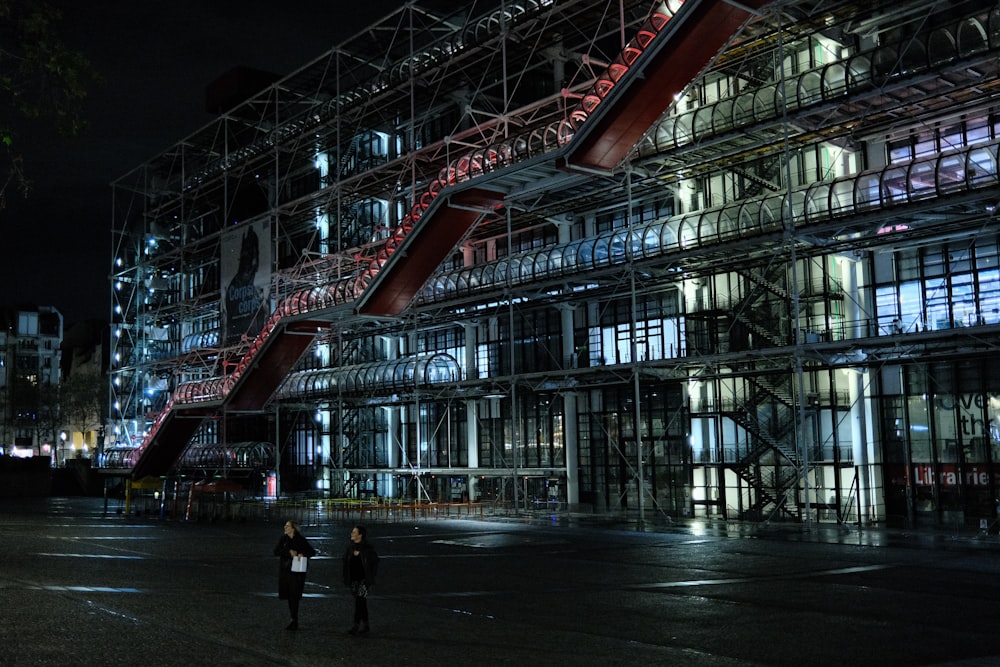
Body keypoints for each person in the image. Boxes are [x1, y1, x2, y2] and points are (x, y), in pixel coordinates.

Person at [274, 520, 316, 631]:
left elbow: (312, 552)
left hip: (297, 573)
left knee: (294, 596)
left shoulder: (300, 540)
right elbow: (276, 551)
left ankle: (294, 619)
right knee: (289, 596)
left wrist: (301, 554)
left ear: (293, 528)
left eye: (287, 526)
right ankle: (293, 618)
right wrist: (288, 552)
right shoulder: (283, 539)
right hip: (286, 571)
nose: (285, 527)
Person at [342, 524, 379, 635]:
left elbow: (374, 563)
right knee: (360, 602)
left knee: (360, 600)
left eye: (354, 532)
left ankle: (356, 624)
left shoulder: (368, 549)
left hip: (364, 580)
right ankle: (365, 624)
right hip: (353, 580)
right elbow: (345, 563)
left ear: (360, 535)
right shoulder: (350, 548)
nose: (351, 534)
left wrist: (370, 578)